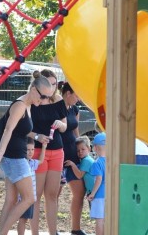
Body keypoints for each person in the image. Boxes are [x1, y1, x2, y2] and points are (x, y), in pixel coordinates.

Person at [0, 76, 54, 235]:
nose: (44, 100)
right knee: (29, 198)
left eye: (48, 97)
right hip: (13, 157)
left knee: (11, 200)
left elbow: (21, 129)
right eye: (43, 96)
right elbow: (8, 129)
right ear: (33, 90)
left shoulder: (27, 105)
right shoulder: (20, 105)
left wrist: (37, 136)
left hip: (14, 156)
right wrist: (2, 152)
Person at [29, 70, 68, 235]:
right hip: (38, 152)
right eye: (49, 84)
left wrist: (60, 124)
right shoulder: (32, 102)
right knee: (36, 195)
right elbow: (24, 129)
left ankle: (53, 232)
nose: (52, 88)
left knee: (52, 195)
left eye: (54, 84)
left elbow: (65, 127)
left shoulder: (59, 100)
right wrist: (38, 136)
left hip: (57, 151)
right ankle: (35, 232)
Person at [59, 81, 87, 235]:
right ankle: (52, 229)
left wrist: (82, 151)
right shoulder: (57, 108)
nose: (78, 99)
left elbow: (76, 132)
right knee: (54, 194)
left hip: (73, 157)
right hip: (58, 157)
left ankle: (75, 229)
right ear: (68, 93)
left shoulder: (75, 109)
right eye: (76, 95)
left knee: (79, 192)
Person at [16, 137, 47, 235]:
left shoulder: (32, 163)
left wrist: (44, 147)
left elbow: (41, 161)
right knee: (22, 219)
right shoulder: (22, 163)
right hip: (24, 198)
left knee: (24, 219)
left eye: (32, 149)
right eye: (28, 150)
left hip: (31, 197)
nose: (30, 152)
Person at [65, 136, 95, 228]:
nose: (80, 152)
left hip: (95, 192)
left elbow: (79, 175)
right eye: (78, 151)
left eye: (83, 149)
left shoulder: (86, 161)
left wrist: (72, 164)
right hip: (94, 191)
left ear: (89, 149)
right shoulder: (87, 160)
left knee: (98, 216)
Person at [87, 132, 107, 235]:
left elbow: (99, 179)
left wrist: (92, 193)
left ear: (95, 148)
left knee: (100, 220)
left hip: (99, 196)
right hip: (110, 195)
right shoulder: (112, 161)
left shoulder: (97, 163)